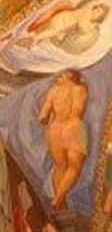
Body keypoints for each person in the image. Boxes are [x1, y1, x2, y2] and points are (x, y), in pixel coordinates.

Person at [37, 68, 89, 210]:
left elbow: (42, 116)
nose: (58, 77)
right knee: (74, 168)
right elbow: (78, 109)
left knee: (60, 167)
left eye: (62, 75)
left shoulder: (53, 91)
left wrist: (52, 118)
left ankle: (60, 203)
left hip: (55, 130)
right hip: (73, 127)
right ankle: (58, 199)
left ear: (69, 76)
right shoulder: (80, 89)